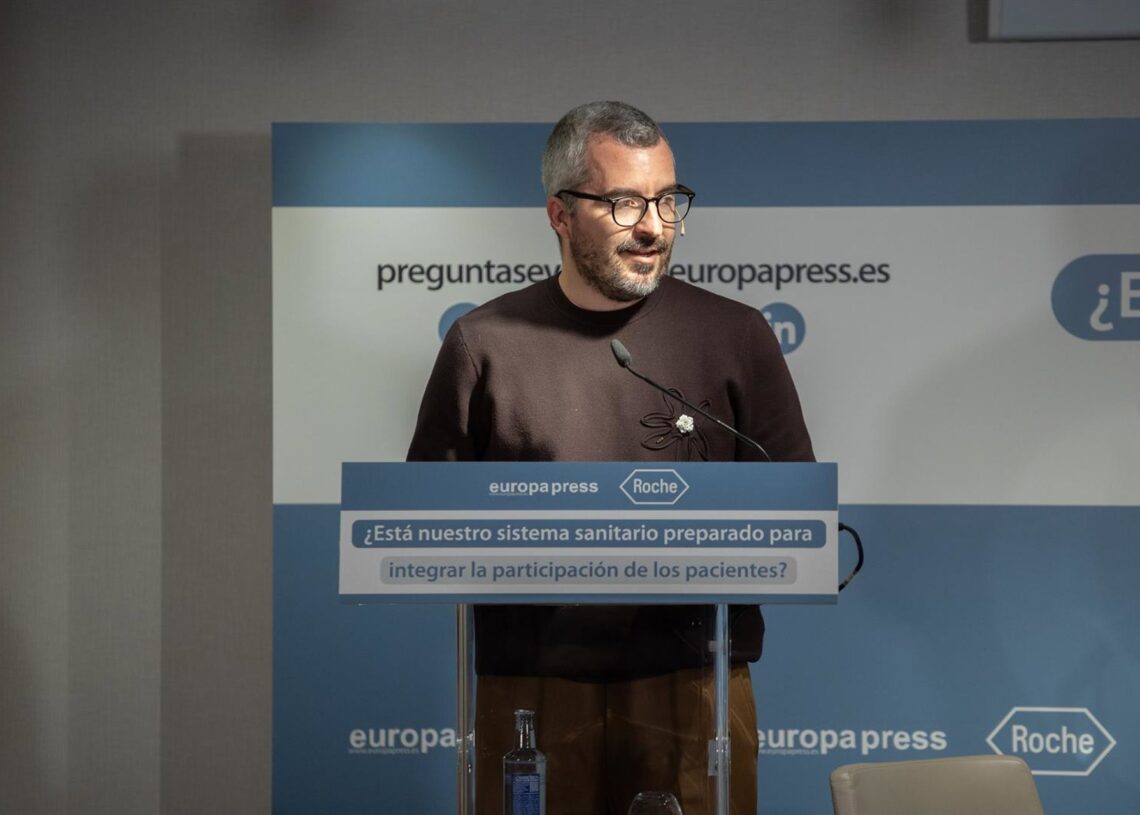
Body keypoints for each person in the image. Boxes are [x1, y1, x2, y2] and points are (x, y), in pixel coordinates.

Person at [407, 101, 814, 815]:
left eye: (667, 200)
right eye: (624, 202)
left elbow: (794, 512)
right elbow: (424, 525)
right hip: (529, 682)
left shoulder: (738, 335)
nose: (654, 226)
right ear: (560, 215)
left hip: (694, 679)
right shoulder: (484, 343)